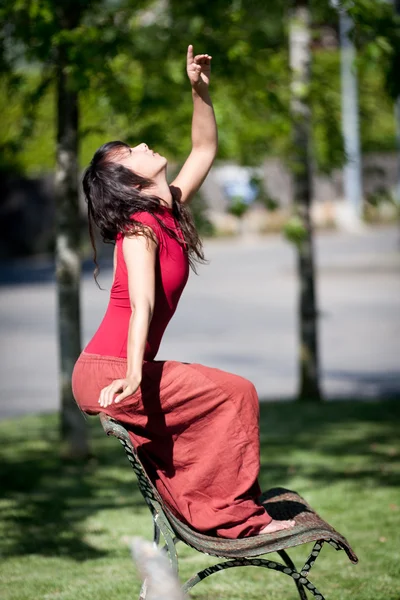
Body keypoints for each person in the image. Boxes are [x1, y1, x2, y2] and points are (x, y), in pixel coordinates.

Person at [72, 45, 295, 539]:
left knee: (227, 398)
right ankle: (231, 520)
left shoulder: (166, 209)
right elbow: (142, 306)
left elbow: (205, 149)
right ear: (129, 180)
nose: (144, 146)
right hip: (109, 371)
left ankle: (213, 511)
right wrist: (133, 373)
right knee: (235, 393)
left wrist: (198, 90)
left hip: (118, 369)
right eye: (131, 153)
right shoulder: (138, 229)